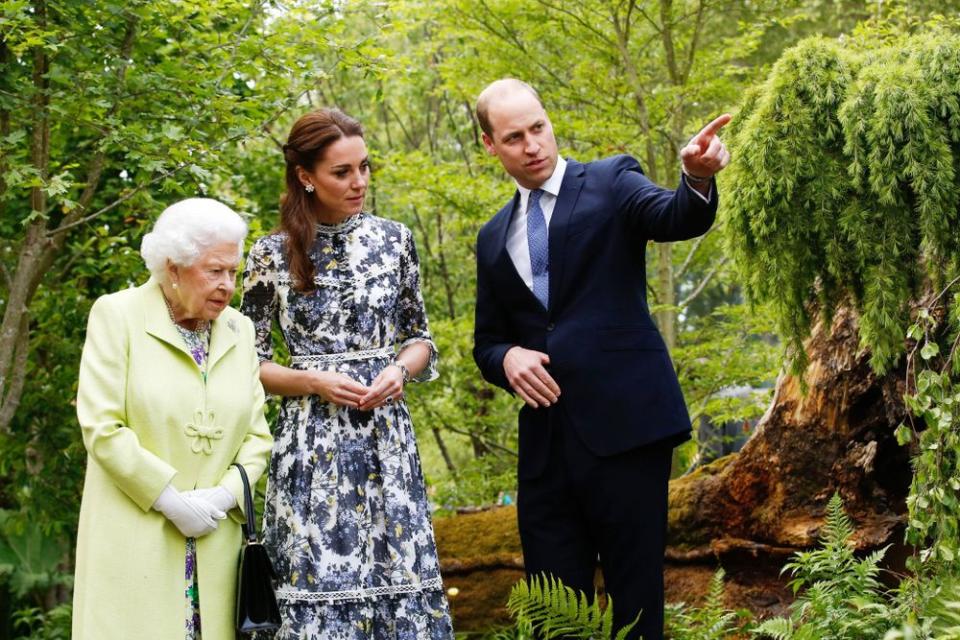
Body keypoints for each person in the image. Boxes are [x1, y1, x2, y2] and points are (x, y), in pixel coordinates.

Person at [472, 78, 730, 640]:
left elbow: (676, 216)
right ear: (490, 146)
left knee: (636, 604)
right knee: (553, 615)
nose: (533, 144)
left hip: (628, 430)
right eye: (514, 137)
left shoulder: (612, 180)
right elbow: (485, 343)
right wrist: (508, 356)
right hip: (546, 450)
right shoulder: (492, 238)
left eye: (538, 127)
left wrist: (698, 177)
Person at [240, 108, 453, 639]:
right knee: (319, 588)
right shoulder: (272, 254)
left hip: (388, 438)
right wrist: (313, 381)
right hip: (313, 446)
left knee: (397, 584)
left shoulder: (394, 240)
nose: (359, 182)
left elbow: (420, 338)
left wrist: (401, 370)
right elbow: (246, 362)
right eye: (342, 172)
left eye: (364, 167)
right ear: (306, 177)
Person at [73, 198, 274, 640]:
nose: (227, 285)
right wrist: (170, 500)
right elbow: (102, 427)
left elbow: (258, 436)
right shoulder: (117, 315)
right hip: (136, 539)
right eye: (214, 271)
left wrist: (222, 498)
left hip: (216, 542)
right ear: (174, 268)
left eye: (233, 273)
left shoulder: (239, 330)